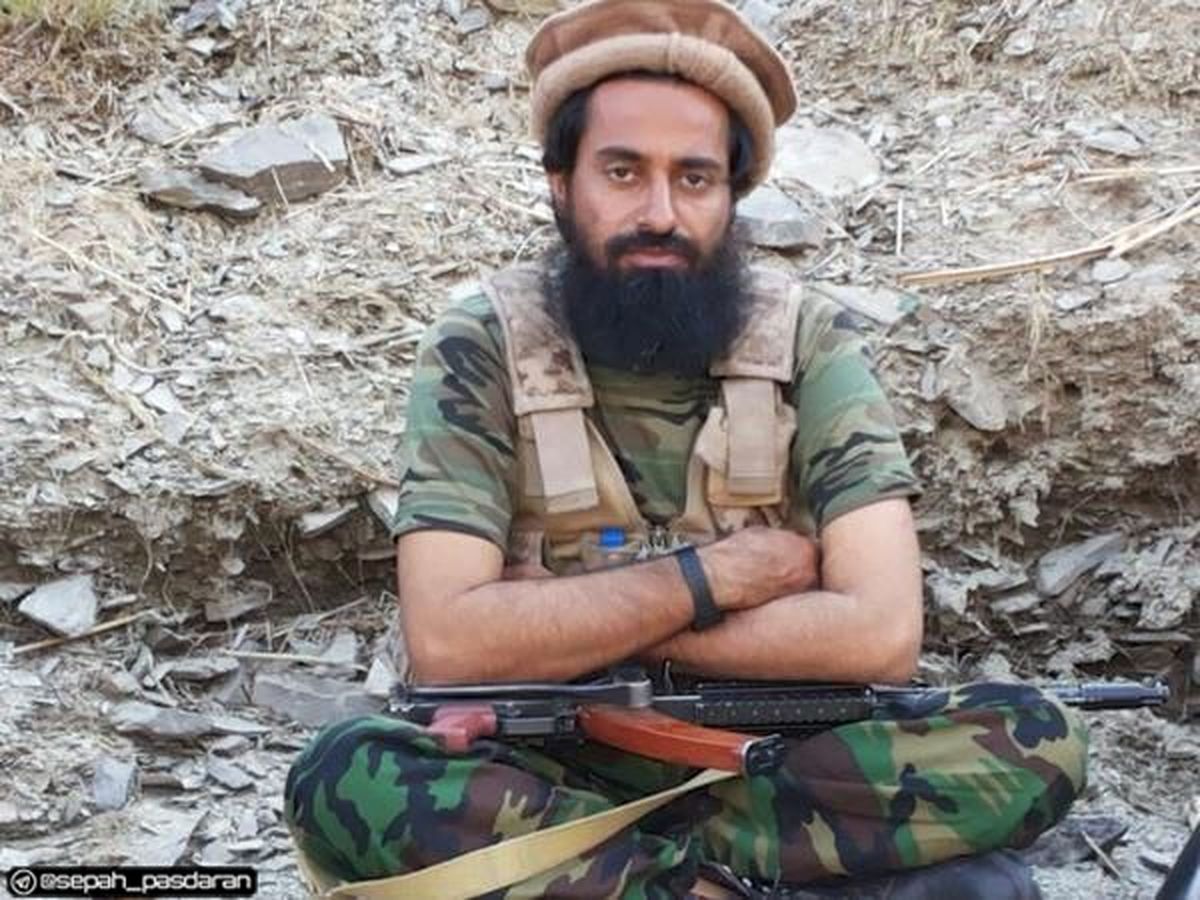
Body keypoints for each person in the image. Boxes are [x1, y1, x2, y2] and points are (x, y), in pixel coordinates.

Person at [284, 0, 1088, 896]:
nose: (660, 212)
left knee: (1039, 737)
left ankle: (614, 873)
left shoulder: (808, 344)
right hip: (548, 769)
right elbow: (447, 641)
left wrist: (557, 621)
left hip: (772, 765)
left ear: (732, 197)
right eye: (623, 172)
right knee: (346, 774)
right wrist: (715, 580)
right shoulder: (484, 346)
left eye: (695, 179)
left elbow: (882, 633)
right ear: (561, 183)